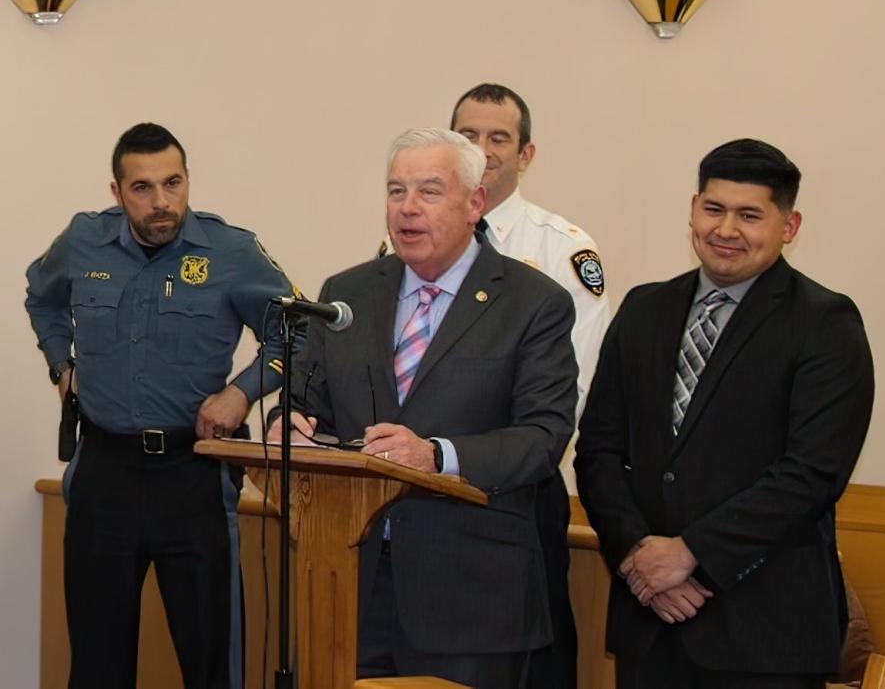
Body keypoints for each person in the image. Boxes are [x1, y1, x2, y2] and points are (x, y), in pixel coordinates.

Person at [269, 127, 578, 689]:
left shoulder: (534, 304)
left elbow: (542, 436)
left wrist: (438, 455)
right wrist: (287, 423)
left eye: (429, 191)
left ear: (475, 202)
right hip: (347, 582)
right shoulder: (350, 293)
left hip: (471, 599)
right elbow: (304, 401)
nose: (407, 208)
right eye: (395, 191)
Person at [575, 138, 875, 689]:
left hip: (764, 632)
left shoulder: (826, 323)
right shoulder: (644, 308)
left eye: (749, 215)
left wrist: (691, 555)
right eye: (713, 209)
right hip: (651, 621)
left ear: (789, 225)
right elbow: (597, 449)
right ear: (693, 209)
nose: (726, 229)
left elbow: (813, 472)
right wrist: (638, 557)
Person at [25, 122, 299, 689]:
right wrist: (61, 366)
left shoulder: (231, 252)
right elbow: (41, 298)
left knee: (210, 662)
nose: (161, 202)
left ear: (188, 180)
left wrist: (241, 391)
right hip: (105, 471)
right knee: (97, 663)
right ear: (117, 192)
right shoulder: (83, 241)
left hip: (192, 473)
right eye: (143, 188)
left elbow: (298, 334)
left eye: (173, 183)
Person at [451, 82, 610, 688]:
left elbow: (574, 380)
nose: (484, 150)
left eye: (499, 138)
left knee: (530, 658)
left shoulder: (564, 251)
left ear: (526, 154)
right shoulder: (408, 243)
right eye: (468, 136)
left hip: (519, 484)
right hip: (423, 479)